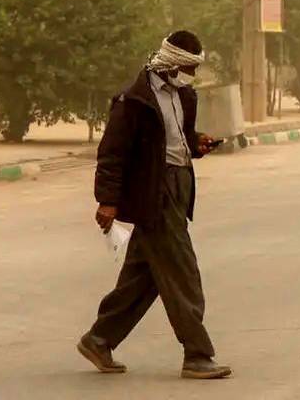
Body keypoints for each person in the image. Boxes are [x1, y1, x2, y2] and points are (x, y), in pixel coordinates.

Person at [77, 30, 232, 381]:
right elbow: (112, 155)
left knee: (144, 278)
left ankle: (98, 339)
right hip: (153, 193)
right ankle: (197, 354)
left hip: (178, 188)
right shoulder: (133, 102)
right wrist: (108, 201)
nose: (190, 75)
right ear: (170, 63)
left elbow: (177, 139)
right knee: (182, 273)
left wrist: (197, 143)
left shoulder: (185, 96)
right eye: (186, 67)